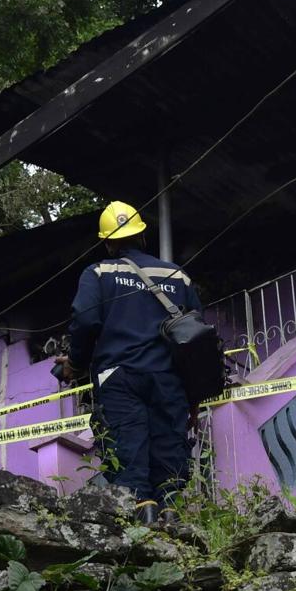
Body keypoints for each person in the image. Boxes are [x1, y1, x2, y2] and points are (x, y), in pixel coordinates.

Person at [56, 201, 202, 517]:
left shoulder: (98, 273)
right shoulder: (178, 277)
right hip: (169, 380)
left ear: (107, 242)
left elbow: (84, 320)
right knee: (169, 464)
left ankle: (139, 526)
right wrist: (193, 398)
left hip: (119, 379)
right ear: (143, 236)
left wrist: (75, 363)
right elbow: (194, 341)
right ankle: (171, 524)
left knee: (128, 460)